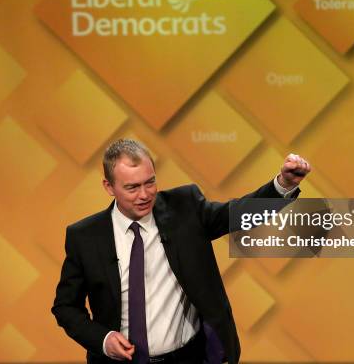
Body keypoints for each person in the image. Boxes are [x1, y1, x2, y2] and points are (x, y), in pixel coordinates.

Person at [52, 139, 311, 364]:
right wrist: (103, 339)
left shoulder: (185, 208)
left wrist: (282, 185)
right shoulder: (84, 237)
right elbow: (65, 307)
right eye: (132, 187)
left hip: (188, 358)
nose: (144, 195)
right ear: (109, 187)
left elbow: (239, 214)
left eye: (150, 182)